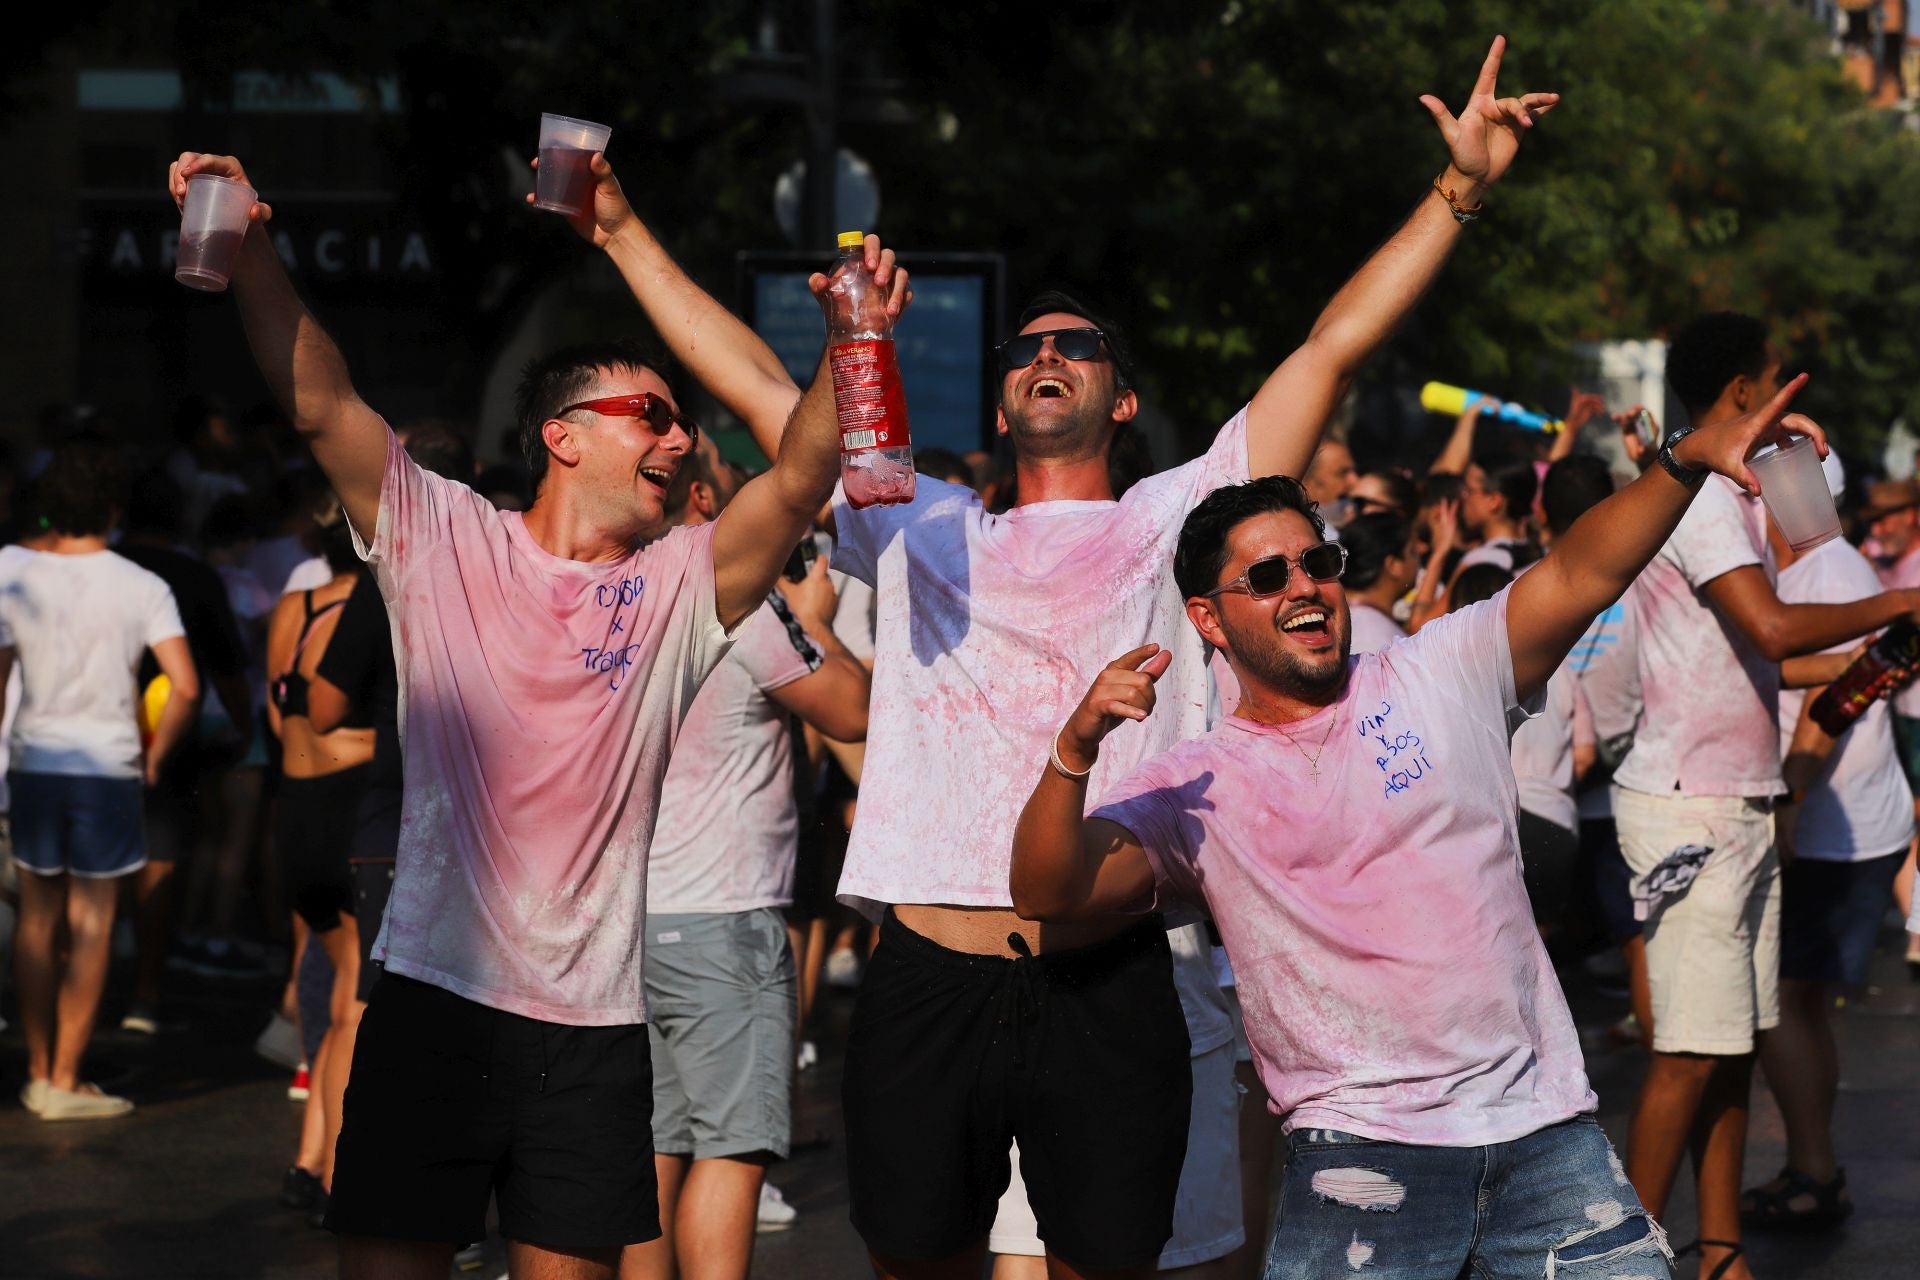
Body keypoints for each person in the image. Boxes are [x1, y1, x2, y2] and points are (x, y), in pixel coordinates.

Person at [169, 146, 898, 1280]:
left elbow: (799, 482)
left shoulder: (680, 584)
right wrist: (254, 244)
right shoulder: (441, 535)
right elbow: (318, 399)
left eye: (679, 423)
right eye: (649, 415)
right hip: (434, 1001)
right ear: (563, 435)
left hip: (593, 1031)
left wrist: (858, 342)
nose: (678, 438)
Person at [1005, 376, 1834, 1277]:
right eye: (1269, 576)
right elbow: (1049, 890)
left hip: (1544, 1137)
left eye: (1318, 562)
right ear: (1207, 616)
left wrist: (1683, 459)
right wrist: (1074, 750)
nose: (1307, 588)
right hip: (1358, 1161)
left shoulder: (1441, 669)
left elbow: (1579, 573)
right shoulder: (1197, 784)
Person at [1613, 314, 1920, 1280]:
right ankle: (1611, 1256)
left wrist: (1868, 656)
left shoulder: (1733, 494)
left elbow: (1765, 654)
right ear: (1744, 392)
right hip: (1689, 802)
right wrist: (1902, 604)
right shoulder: (1700, 497)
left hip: (1736, 797)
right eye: (1776, 385)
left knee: (1730, 1045)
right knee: (1683, 1058)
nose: (1791, 399)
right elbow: (1773, 626)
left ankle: (1718, 1250)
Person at [627, 432, 870, 1278]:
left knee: (656, 1148)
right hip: (725, 918)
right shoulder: (741, 603)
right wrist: (813, 624)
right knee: (731, 1154)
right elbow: (851, 711)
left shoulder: (625, 590)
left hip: (637, 917)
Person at [298, 421, 477, 1223]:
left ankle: (348, 1177)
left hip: (390, 823)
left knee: (362, 1011)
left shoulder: (397, 579)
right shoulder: (470, 572)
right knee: (385, 1015)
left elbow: (321, 703)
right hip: (425, 829)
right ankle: (356, 1186)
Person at [2, 440, 200, 1120]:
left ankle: (35, 1069)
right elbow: (187, 686)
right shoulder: (142, 585)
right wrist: (156, 754)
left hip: (32, 764)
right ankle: (65, 1076)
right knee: (91, 923)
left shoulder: (10, 568)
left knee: (35, 920)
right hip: (108, 767)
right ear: (115, 510)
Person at [1741, 457, 1912, 1233]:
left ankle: (1814, 1167)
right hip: (1845, 822)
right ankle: (1814, 1164)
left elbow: (1826, 702)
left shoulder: (1824, 575)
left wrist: (1790, 803)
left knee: (1776, 1003)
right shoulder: (1825, 567)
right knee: (1801, 1003)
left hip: (1829, 825)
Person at [266, 501, 376, 1223]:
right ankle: (342, 1170)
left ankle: (309, 1159)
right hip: (349, 806)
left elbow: (281, 710)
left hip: (294, 810)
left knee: (333, 986)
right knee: (355, 1002)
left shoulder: (295, 604)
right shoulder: (371, 609)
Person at [1333, 513, 1414, 654]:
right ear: (1393, 565)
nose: (1417, 560)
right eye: (1412, 552)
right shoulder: (1384, 644)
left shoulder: (1337, 621)